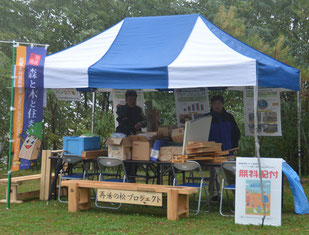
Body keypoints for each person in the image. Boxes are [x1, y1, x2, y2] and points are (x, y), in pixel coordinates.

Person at [207, 95, 240, 201]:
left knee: (231, 173)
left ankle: (237, 193)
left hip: (228, 150)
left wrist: (235, 146)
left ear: (222, 104)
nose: (217, 106)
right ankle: (214, 194)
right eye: (215, 103)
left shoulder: (229, 117)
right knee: (214, 173)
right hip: (213, 151)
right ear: (212, 105)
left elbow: (236, 133)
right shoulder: (207, 118)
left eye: (219, 103)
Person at [115, 90, 147, 182]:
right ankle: (127, 178)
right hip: (124, 138)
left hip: (136, 138)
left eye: (134, 99)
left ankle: (132, 179)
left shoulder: (139, 110)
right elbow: (120, 120)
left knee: (135, 159)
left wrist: (140, 124)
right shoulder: (121, 109)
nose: (132, 101)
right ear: (126, 99)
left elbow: (145, 121)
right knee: (126, 159)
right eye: (130, 99)